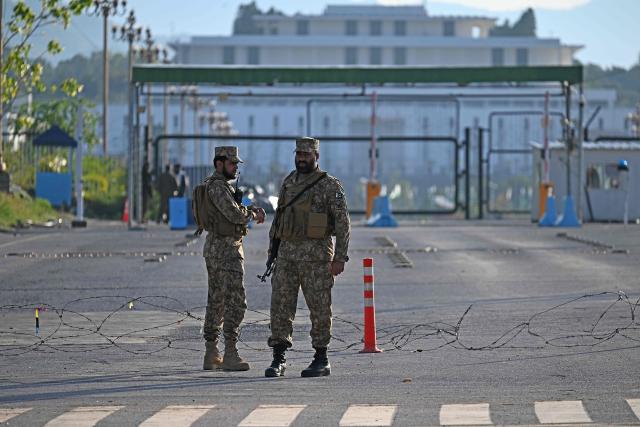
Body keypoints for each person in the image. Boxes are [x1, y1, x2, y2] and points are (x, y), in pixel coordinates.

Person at [265, 137, 350, 378]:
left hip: (316, 259)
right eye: (299, 154)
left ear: (316, 157)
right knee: (280, 307)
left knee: (320, 308)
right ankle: (278, 357)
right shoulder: (289, 182)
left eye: (306, 155)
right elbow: (279, 218)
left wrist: (340, 258)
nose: (301, 158)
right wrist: (273, 252)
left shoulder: (329, 185)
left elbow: (343, 224)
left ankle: (321, 357)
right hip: (287, 257)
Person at [202, 146, 266, 371]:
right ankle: (229, 352)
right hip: (226, 251)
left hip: (218, 249)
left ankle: (212, 353)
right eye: (232, 163)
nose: (235, 168)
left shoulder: (217, 186)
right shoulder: (218, 187)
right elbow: (234, 214)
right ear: (219, 163)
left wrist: (246, 208)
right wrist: (251, 214)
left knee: (217, 300)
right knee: (236, 302)